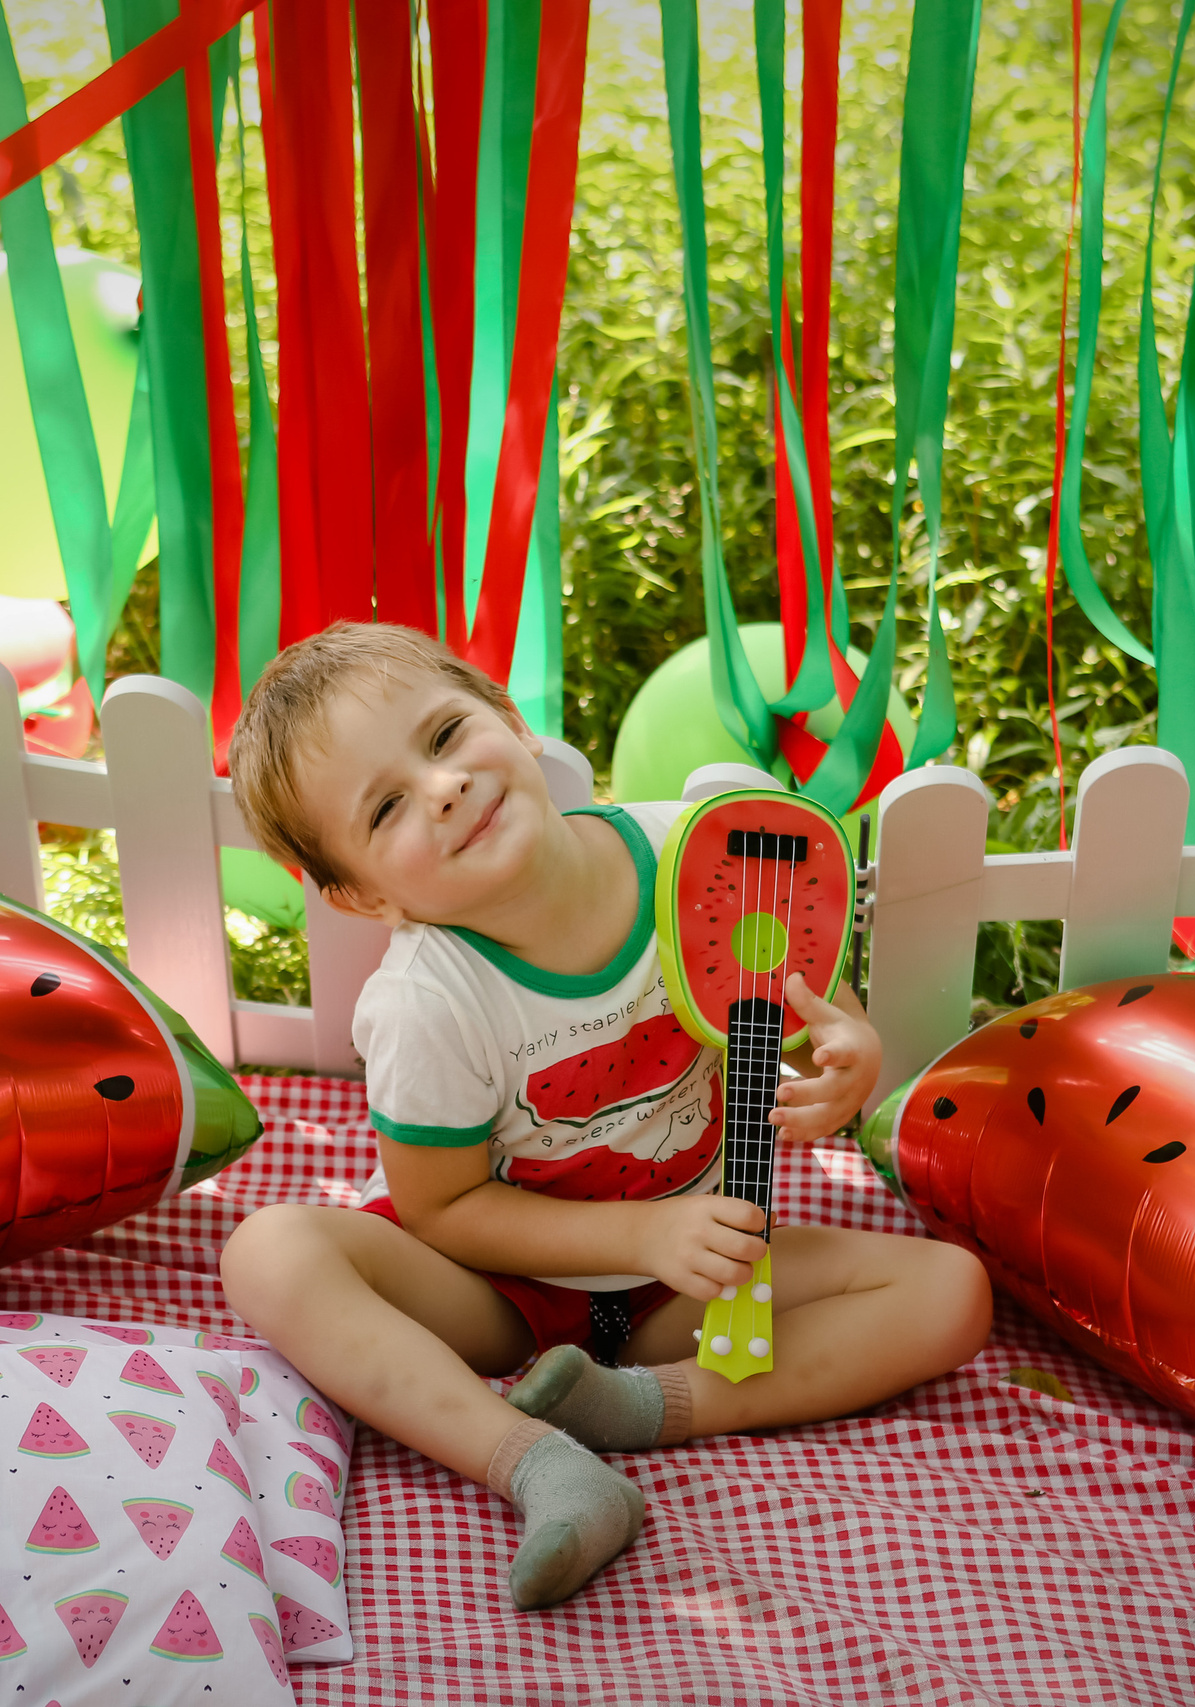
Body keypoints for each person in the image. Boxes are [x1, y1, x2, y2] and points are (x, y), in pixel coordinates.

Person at [218, 623, 991, 1610]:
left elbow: (785, 1016)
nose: (443, 786)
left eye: (446, 736)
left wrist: (844, 1058)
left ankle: (640, 1409)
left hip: (694, 1288)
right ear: (362, 895)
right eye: (386, 807)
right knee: (269, 1253)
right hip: (493, 1292)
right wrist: (645, 1229)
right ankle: (540, 1463)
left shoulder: (689, 857)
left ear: (510, 719)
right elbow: (440, 1209)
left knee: (951, 1293)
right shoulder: (428, 1000)